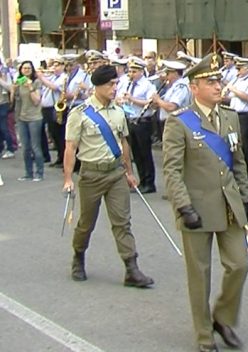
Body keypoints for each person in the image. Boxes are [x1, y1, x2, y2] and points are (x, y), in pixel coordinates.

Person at [162, 53, 248, 352]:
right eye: (210, 81)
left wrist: (245, 196)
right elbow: (172, 170)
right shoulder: (179, 123)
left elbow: (238, 161)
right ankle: (204, 335)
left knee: (239, 264)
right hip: (196, 208)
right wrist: (183, 206)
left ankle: (222, 318)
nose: (217, 86)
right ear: (194, 87)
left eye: (219, 80)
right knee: (199, 275)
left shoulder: (230, 116)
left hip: (229, 205)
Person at [62, 64, 154, 288]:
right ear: (98, 86)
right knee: (86, 223)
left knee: (122, 222)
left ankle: (131, 269)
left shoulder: (118, 111)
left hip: (115, 173)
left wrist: (130, 172)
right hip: (91, 174)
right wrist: (68, 179)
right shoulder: (80, 113)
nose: (115, 88)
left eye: (116, 83)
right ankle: (78, 257)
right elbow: (70, 148)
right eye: (110, 84)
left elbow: (124, 143)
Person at [116, 58, 158, 193]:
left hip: (143, 121)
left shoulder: (148, 85)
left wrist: (132, 99)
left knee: (145, 153)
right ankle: (141, 180)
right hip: (129, 120)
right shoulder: (126, 83)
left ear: (141, 71)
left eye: (134, 71)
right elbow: (117, 97)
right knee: (136, 153)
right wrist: (120, 100)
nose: (131, 74)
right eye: (130, 71)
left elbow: (151, 103)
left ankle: (149, 183)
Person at [224, 56, 248, 183]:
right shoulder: (238, 80)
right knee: (235, 144)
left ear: (247, 68)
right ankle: (240, 171)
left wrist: (233, 89)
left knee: (247, 144)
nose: (237, 72)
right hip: (235, 114)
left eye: (239, 69)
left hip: (247, 115)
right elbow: (231, 98)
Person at [13, 60, 44, 181]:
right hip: (22, 117)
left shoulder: (36, 82)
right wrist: (14, 88)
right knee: (25, 148)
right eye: (24, 68)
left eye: (28, 68)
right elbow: (14, 100)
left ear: (32, 70)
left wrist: (30, 87)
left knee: (35, 146)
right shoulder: (20, 82)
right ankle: (28, 172)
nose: (26, 70)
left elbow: (37, 101)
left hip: (34, 118)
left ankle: (39, 172)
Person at [38, 56, 68, 167]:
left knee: (59, 134)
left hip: (56, 107)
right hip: (47, 108)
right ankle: (59, 158)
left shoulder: (63, 77)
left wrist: (41, 77)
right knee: (53, 134)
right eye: (53, 65)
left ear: (63, 66)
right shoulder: (53, 76)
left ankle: (63, 158)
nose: (54, 68)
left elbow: (54, 87)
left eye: (57, 66)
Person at [0, 58, 14, 159]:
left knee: (4, 127)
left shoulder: (4, 73)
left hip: (3, 104)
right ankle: (1, 148)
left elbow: (10, 87)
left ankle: (10, 148)